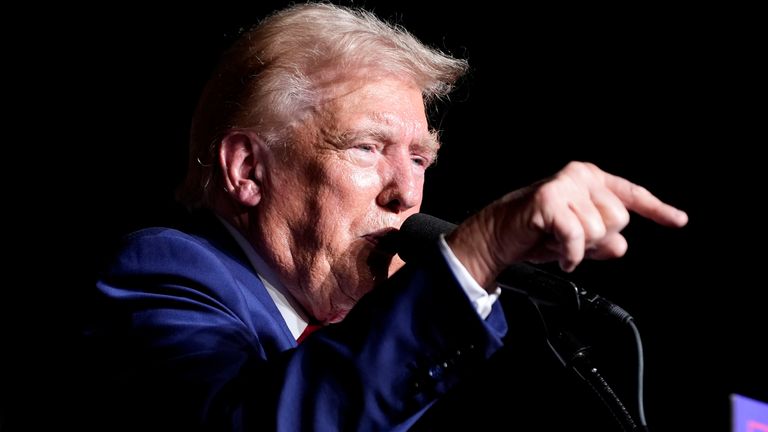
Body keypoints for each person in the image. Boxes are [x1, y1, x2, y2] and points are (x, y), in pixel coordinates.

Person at [83, 3, 688, 431]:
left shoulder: (387, 345)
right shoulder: (164, 273)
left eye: (421, 157)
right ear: (248, 170)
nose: (406, 194)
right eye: (367, 147)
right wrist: (478, 253)